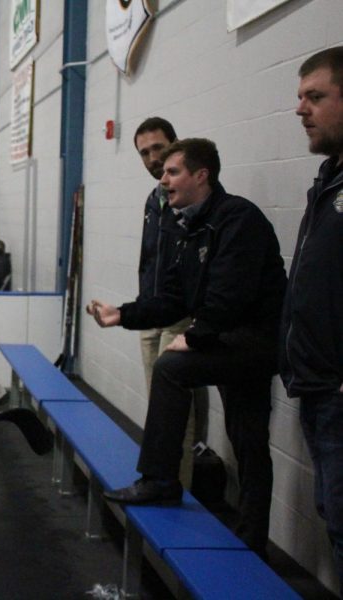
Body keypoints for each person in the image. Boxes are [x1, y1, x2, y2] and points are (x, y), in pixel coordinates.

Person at [86, 138, 287, 555]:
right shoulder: (187, 227)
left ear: (202, 175)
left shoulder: (238, 219)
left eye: (172, 172)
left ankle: (161, 481)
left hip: (253, 344)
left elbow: (231, 297)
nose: (163, 179)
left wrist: (194, 337)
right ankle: (248, 539)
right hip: (230, 341)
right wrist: (121, 314)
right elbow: (173, 299)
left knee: (174, 371)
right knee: (246, 439)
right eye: (163, 173)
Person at [283, 46, 343, 584]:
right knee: (334, 515)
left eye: (316, 97)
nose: (301, 109)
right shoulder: (328, 181)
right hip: (320, 388)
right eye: (300, 97)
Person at [133, 117, 208, 490]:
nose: (151, 158)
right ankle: (163, 481)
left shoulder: (194, 199)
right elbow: (149, 257)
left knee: (175, 407)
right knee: (157, 406)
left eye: (158, 149)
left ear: (175, 144)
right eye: (144, 153)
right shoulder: (154, 200)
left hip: (179, 316)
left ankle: (179, 491)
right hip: (151, 312)